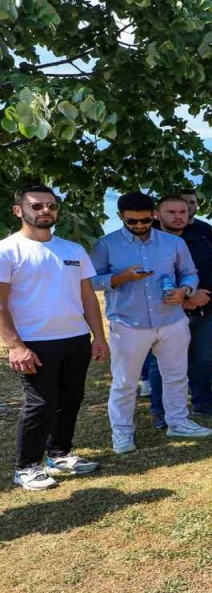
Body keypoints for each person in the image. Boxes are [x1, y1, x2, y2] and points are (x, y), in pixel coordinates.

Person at [2, 184, 109, 490]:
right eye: (36, 206)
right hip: (34, 342)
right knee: (40, 404)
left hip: (75, 338)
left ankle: (59, 454)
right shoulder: (7, 250)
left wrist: (98, 337)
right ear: (18, 210)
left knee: (71, 399)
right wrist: (15, 346)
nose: (45, 210)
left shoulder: (73, 250)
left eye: (51, 205)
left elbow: (87, 297)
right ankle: (26, 467)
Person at [91, 192, 212, 452]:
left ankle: (178, 421)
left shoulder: (173, 243)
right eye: (132, 221)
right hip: (128, 324)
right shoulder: (106, 244)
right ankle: (122, 433)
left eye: (145, 220)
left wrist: (185, 291)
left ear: (154, 215)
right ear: (120, 217)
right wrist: (119, 278)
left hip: (171, 321)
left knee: (176, 376)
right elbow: (91, 281)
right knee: (125, 382)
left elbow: (190, 273)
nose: (139, 225)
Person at [146, 195, 212, 424]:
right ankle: (161, 410)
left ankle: (203, 401)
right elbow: (149, 279)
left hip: (201, 309)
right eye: (171, 212)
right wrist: (182, 298)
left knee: (202, 358)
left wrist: (204, 294)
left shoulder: (199, 238)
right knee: (160, 364)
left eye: (182, 212)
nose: (178, 217)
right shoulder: (148, 243)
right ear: (157, 214)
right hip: (166, 312)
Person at [179, 189, 212, 386]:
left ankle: (205, 381)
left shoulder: (204, 228)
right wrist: (185, 296)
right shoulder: (159, 230)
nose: (187, 207)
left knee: (204, 348)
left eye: (192, 202)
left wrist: (209, 292)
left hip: (204, 299)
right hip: (175, 300)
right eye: (183, 203)